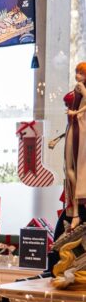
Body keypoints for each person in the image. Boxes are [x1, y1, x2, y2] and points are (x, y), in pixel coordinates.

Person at [62, 61, 86, 231]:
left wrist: (76, 112)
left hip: (77, 126)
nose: (78, 75)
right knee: (70, 168)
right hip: (73, 126)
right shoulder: (78, 87)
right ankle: (76, 210)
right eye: (77, 72)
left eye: (81, 73)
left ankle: (76, 212)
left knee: (73, 167)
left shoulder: (80, 87)